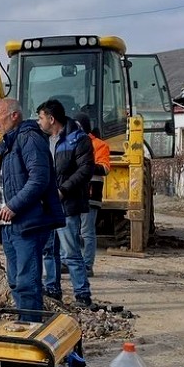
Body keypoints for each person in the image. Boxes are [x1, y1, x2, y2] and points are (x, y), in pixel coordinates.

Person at [0, 99, 64, 323]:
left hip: (28, 223)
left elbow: (39, 179)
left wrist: (13, 206)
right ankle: (24, 324)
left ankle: (30, 329)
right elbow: (6, 183)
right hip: (11, 225)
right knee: (16, 281)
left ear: (14, 115)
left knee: (27, 282)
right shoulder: (10, 143)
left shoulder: (29, 139)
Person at [36, 100, 95, 308]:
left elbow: (85, 169)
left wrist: (63, 190)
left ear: (51, 119)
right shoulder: (42, 140)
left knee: (71, 251)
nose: (38, 121)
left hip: (67, 204)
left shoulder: (78, 140)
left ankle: (82, 294)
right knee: (48, 249)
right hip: (48, 204)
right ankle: (52, 288)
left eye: (41, 117)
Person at [72, 113, 110, 277]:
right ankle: (73, 262)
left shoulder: (99, 145)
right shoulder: (71, 143)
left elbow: (105, 168)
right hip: (73, 192)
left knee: (86, 231)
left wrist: (85, 166)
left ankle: (87, 265)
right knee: (72, 230)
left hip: (90, 194)